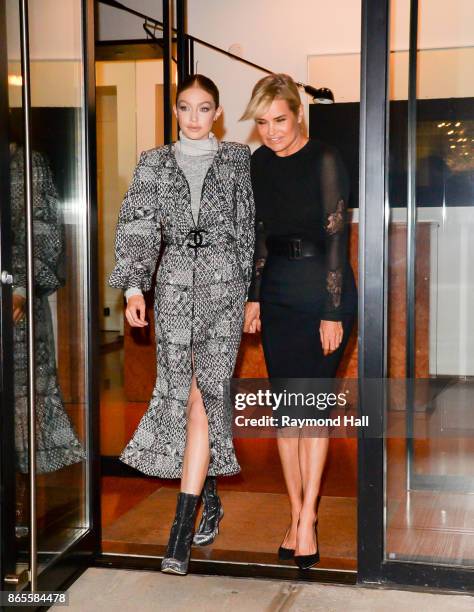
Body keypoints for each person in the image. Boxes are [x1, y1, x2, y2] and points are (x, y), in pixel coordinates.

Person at [109, 74, 255, 575]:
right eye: (185, 108)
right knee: (180, 391)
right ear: (175, 111)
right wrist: (134, 287)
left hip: (224, 288)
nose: (194, 118)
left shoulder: (237, 158)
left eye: (204, 108)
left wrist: (246, 291)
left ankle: (179, 535)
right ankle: (207, 496)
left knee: (203, 394)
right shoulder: (153, 161)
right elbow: (137, 224)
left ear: (217, 112)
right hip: (171, 286)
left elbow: (248, 228)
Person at [242, 74, 357, 570]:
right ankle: (295, 511)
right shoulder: (258, 163)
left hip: (321, 291)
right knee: (286, 414)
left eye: (279, 120)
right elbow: (258, 235)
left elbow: (337, 238)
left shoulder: (325, 158)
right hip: (279, 295)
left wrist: (332, 310)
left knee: (311, 412)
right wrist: (254, 297)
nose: (271, 131)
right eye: (263, 123)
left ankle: (309, 517)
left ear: (297, 114)